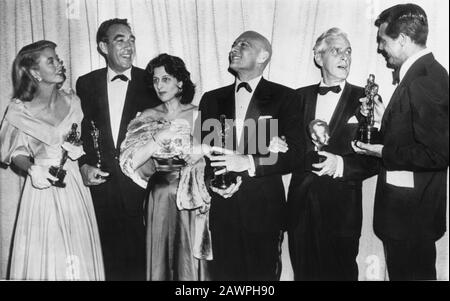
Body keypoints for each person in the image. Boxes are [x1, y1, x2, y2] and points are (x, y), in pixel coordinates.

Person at [353, 4, 449, 280]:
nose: (381, 49)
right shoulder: (422, 73)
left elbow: (438, 154)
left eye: (384, 41)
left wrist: (382, 151)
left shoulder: (424, 79)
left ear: (403, 40)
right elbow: (415, 132)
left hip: (411, 220)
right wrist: (386, 119)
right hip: (408, 218)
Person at [198, 31, 302, 280]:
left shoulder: (287, 97)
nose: (234, 48)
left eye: (243, 44)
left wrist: (248, 161)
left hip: (265, 212)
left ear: (263, 56)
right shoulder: (211, 99)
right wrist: (213, 184)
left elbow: (297, 154)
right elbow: (206, 153)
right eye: (233, 44)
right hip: (223, 212)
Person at [0, 40, 104, 280]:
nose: (59, 63)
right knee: (49, 258)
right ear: (35, 72)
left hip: (75, 188)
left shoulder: (73, 101)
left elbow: (84, 143)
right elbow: (15, 152)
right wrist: (33, 169)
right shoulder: (19, 110)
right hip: (42, 190)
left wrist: (84, 159)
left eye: (57, 58)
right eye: (51, 60)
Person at [284, 28, 379, 280]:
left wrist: (341, 165)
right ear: (318, 57)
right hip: (300, 207)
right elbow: (289, 151)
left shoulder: (366, 98)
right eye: (337, 51)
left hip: (342, 210)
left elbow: (379, 157)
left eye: (348, 52)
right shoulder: (296, 98)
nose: (344, 57)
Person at [76, 18, 160, 280]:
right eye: (119, 39)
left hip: (142, 188)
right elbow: (80, 135)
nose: (129, 46)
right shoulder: (86, 84)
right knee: (108, 264)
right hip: (102, 189)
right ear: (103, 46)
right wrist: (83, 165)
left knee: (144, 264)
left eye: (131, 39)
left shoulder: (151, 82)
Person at [119, 53, 212, 280]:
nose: (159, 85)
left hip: (193, 194)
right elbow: (129, 161)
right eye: (155, 80)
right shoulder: (147, 117)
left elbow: (215, 156)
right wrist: (159, 137)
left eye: (166, 79)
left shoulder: (200, 113)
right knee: (161, 257)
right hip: (159, 196)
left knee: (190, 260)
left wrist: (201, 155)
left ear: (180, 82)